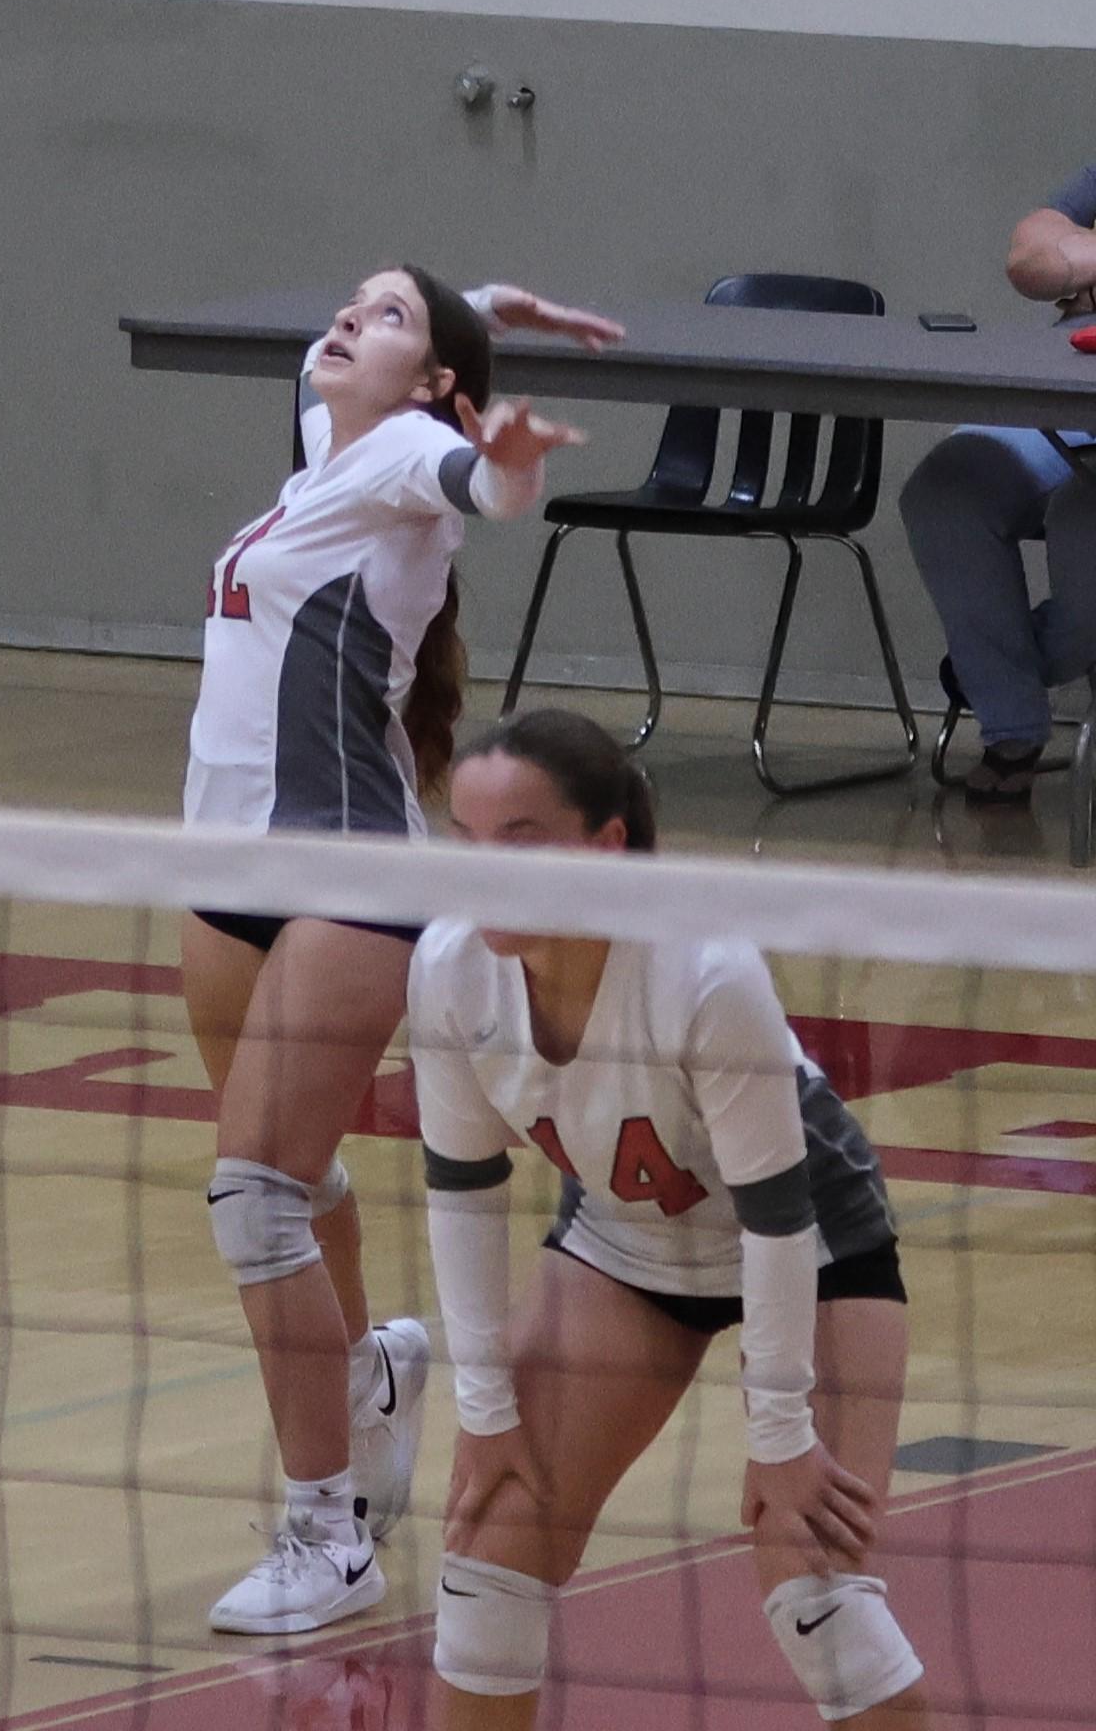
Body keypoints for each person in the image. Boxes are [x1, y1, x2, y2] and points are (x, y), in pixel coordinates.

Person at [182, 269, 623, 1637]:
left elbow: (472, 483)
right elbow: (394, 386)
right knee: (293, 1175)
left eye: (381, 318)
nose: (343, 321)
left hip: (346, 875)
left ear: (434, 383)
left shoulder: (407, 463)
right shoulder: (328, 448)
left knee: (251, 1199)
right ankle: (369, 1373)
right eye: (353, 302)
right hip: (218, 867)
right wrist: (468, 293)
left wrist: (503, 463)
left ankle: (330, 1536)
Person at [410, 708, 933, 1728]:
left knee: (812, 1581)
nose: (483, 875)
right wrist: (485, 1407)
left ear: (607, 846)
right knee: (490, 1557)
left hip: (810, 1246)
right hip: (627, 1245)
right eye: (464, 843)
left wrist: (778, 1430)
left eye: (520, 841)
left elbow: (779, 1220)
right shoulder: (448, 968)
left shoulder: (703, 970)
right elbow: (463, 1192)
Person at [900, 163, 1096, 802]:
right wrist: (1072, 264)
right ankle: (1012, 726)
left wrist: (1083, 258)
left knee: (1081, 514)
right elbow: (1031, 259)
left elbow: (1066, 254)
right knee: (947, 490)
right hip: (1068, 380)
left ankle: (998, 683)